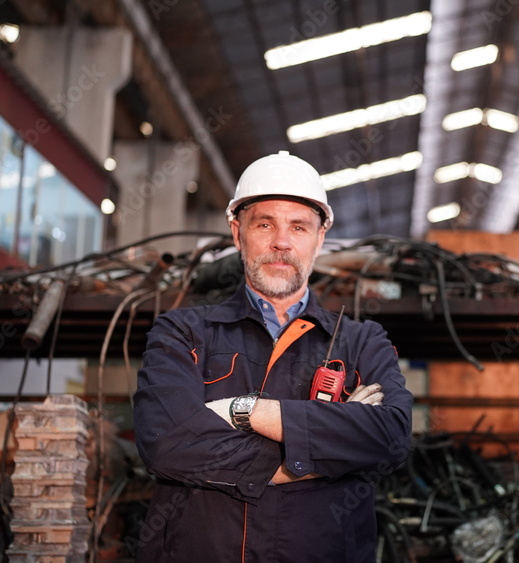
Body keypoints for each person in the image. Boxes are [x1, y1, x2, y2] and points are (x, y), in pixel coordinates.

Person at [133, 151, 413, 562]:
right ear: (237, 232)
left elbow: (390, 437)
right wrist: (326, 451)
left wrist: (243, 411)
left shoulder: (361, 341)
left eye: (298, 227)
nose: (281, 241)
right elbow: (166, 445)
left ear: (319, 239)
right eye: (265, 224)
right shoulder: (183, 332)